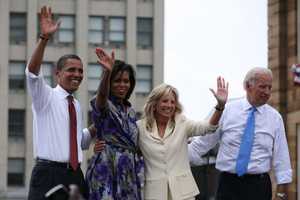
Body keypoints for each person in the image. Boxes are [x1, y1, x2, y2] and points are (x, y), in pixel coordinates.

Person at [188, 67, 292, 200]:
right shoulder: (227, 111)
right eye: (262, 87)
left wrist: (281, 194)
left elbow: (282, 157)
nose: (267, 92)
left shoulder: (275, 118)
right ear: (248, 86)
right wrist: (174, 155)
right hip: (228, 185)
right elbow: (202, 143)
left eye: (269, 87)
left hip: (259, 187)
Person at [26, 6, 93, 200]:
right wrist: (44, 38)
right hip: (48, 174)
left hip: (75, 175)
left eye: (80, 71)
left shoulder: (76, 105)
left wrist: (101, 124)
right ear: (58, 74)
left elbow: (80, 141)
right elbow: (32, 72)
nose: (77, 74)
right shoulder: (45, 97)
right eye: (71, 70)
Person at [137, 80, 228, 200]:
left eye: (172, 102)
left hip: (183, 193)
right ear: (154, 104)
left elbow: (208, 127)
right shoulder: (140, 127)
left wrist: (220, 106)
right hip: (154, 193)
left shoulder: (182, 123)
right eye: (165, 101)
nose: (169, 105)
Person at [85, 48, 144, 199]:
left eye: (126, 81)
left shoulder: (130, 111)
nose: (122, 85)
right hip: (106, 166)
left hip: (128, 171)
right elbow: (102, 96)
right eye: (117, 81)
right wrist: (107, 73)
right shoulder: (104, 104)